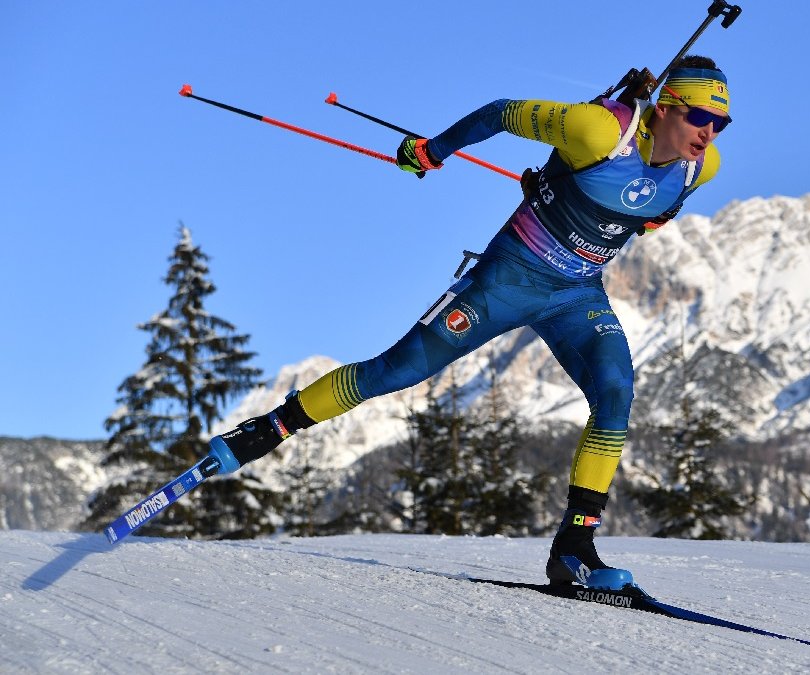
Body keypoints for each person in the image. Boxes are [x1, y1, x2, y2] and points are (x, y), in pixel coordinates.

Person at [207, 55, 730, 590]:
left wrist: (574, 190)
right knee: (397, 371)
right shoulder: (596, 130)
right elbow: (500, 113)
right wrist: (431, 151)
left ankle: (574, 549)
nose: (708, 133)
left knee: (616, 393)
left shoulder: (700, 168)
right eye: (699, 117)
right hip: (509, 278)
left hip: (577, 295)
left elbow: (647, 211)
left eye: (720, 124)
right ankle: (268, 428)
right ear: (664, 107)